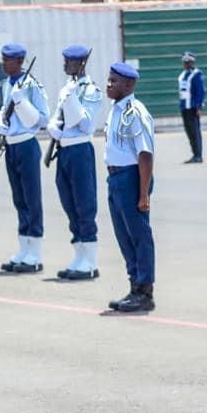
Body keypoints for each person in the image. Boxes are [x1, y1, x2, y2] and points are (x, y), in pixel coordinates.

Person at [0, 44, 49, 273]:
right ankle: (24, 248)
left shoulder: (31, 85)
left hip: (26, 144)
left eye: (8, 60)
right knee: (19, 199)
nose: (4, 64)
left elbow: (43, 119)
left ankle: (35, 252)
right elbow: (6, 113)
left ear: (20, 61)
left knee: (32, 199)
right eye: (3, 59)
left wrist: (22, 103)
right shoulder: (7, 84)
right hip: (11, 146)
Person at [47, 44, 103, 280]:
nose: (64, 65)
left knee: (84, 204)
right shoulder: (67, 88)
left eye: (68, 61)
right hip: (65, 150)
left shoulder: (91, 90)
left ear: (80, 64)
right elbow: (59, 117)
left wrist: (71, 101)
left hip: (80, 149)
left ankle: (89, 261)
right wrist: (53, 127)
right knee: (69, 203)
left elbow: (85, 124)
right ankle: (78, 255)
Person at [104, 62, 156, 313]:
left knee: (139, 235)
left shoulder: (135, 112)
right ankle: (134, 285)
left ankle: (145, 291)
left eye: (114, 81)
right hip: (115, 178)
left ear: (129, 85)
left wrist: (143, 192)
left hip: (131, 178)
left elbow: (145, 154)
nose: (109, 84)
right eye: (109, 79)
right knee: (124, 235)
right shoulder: (116, 109)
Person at [178, 51, 206, 164]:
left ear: (192, 62)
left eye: (188, 62)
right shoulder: (183, 75)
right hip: (184, 107)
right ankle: (194, 154)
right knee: (189, 131)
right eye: (184, 62)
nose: (185, 64)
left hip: (193, 107)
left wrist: (199, 106)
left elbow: (200, 92)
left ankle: (198, 155)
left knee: (195, 131)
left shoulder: (197, 74)